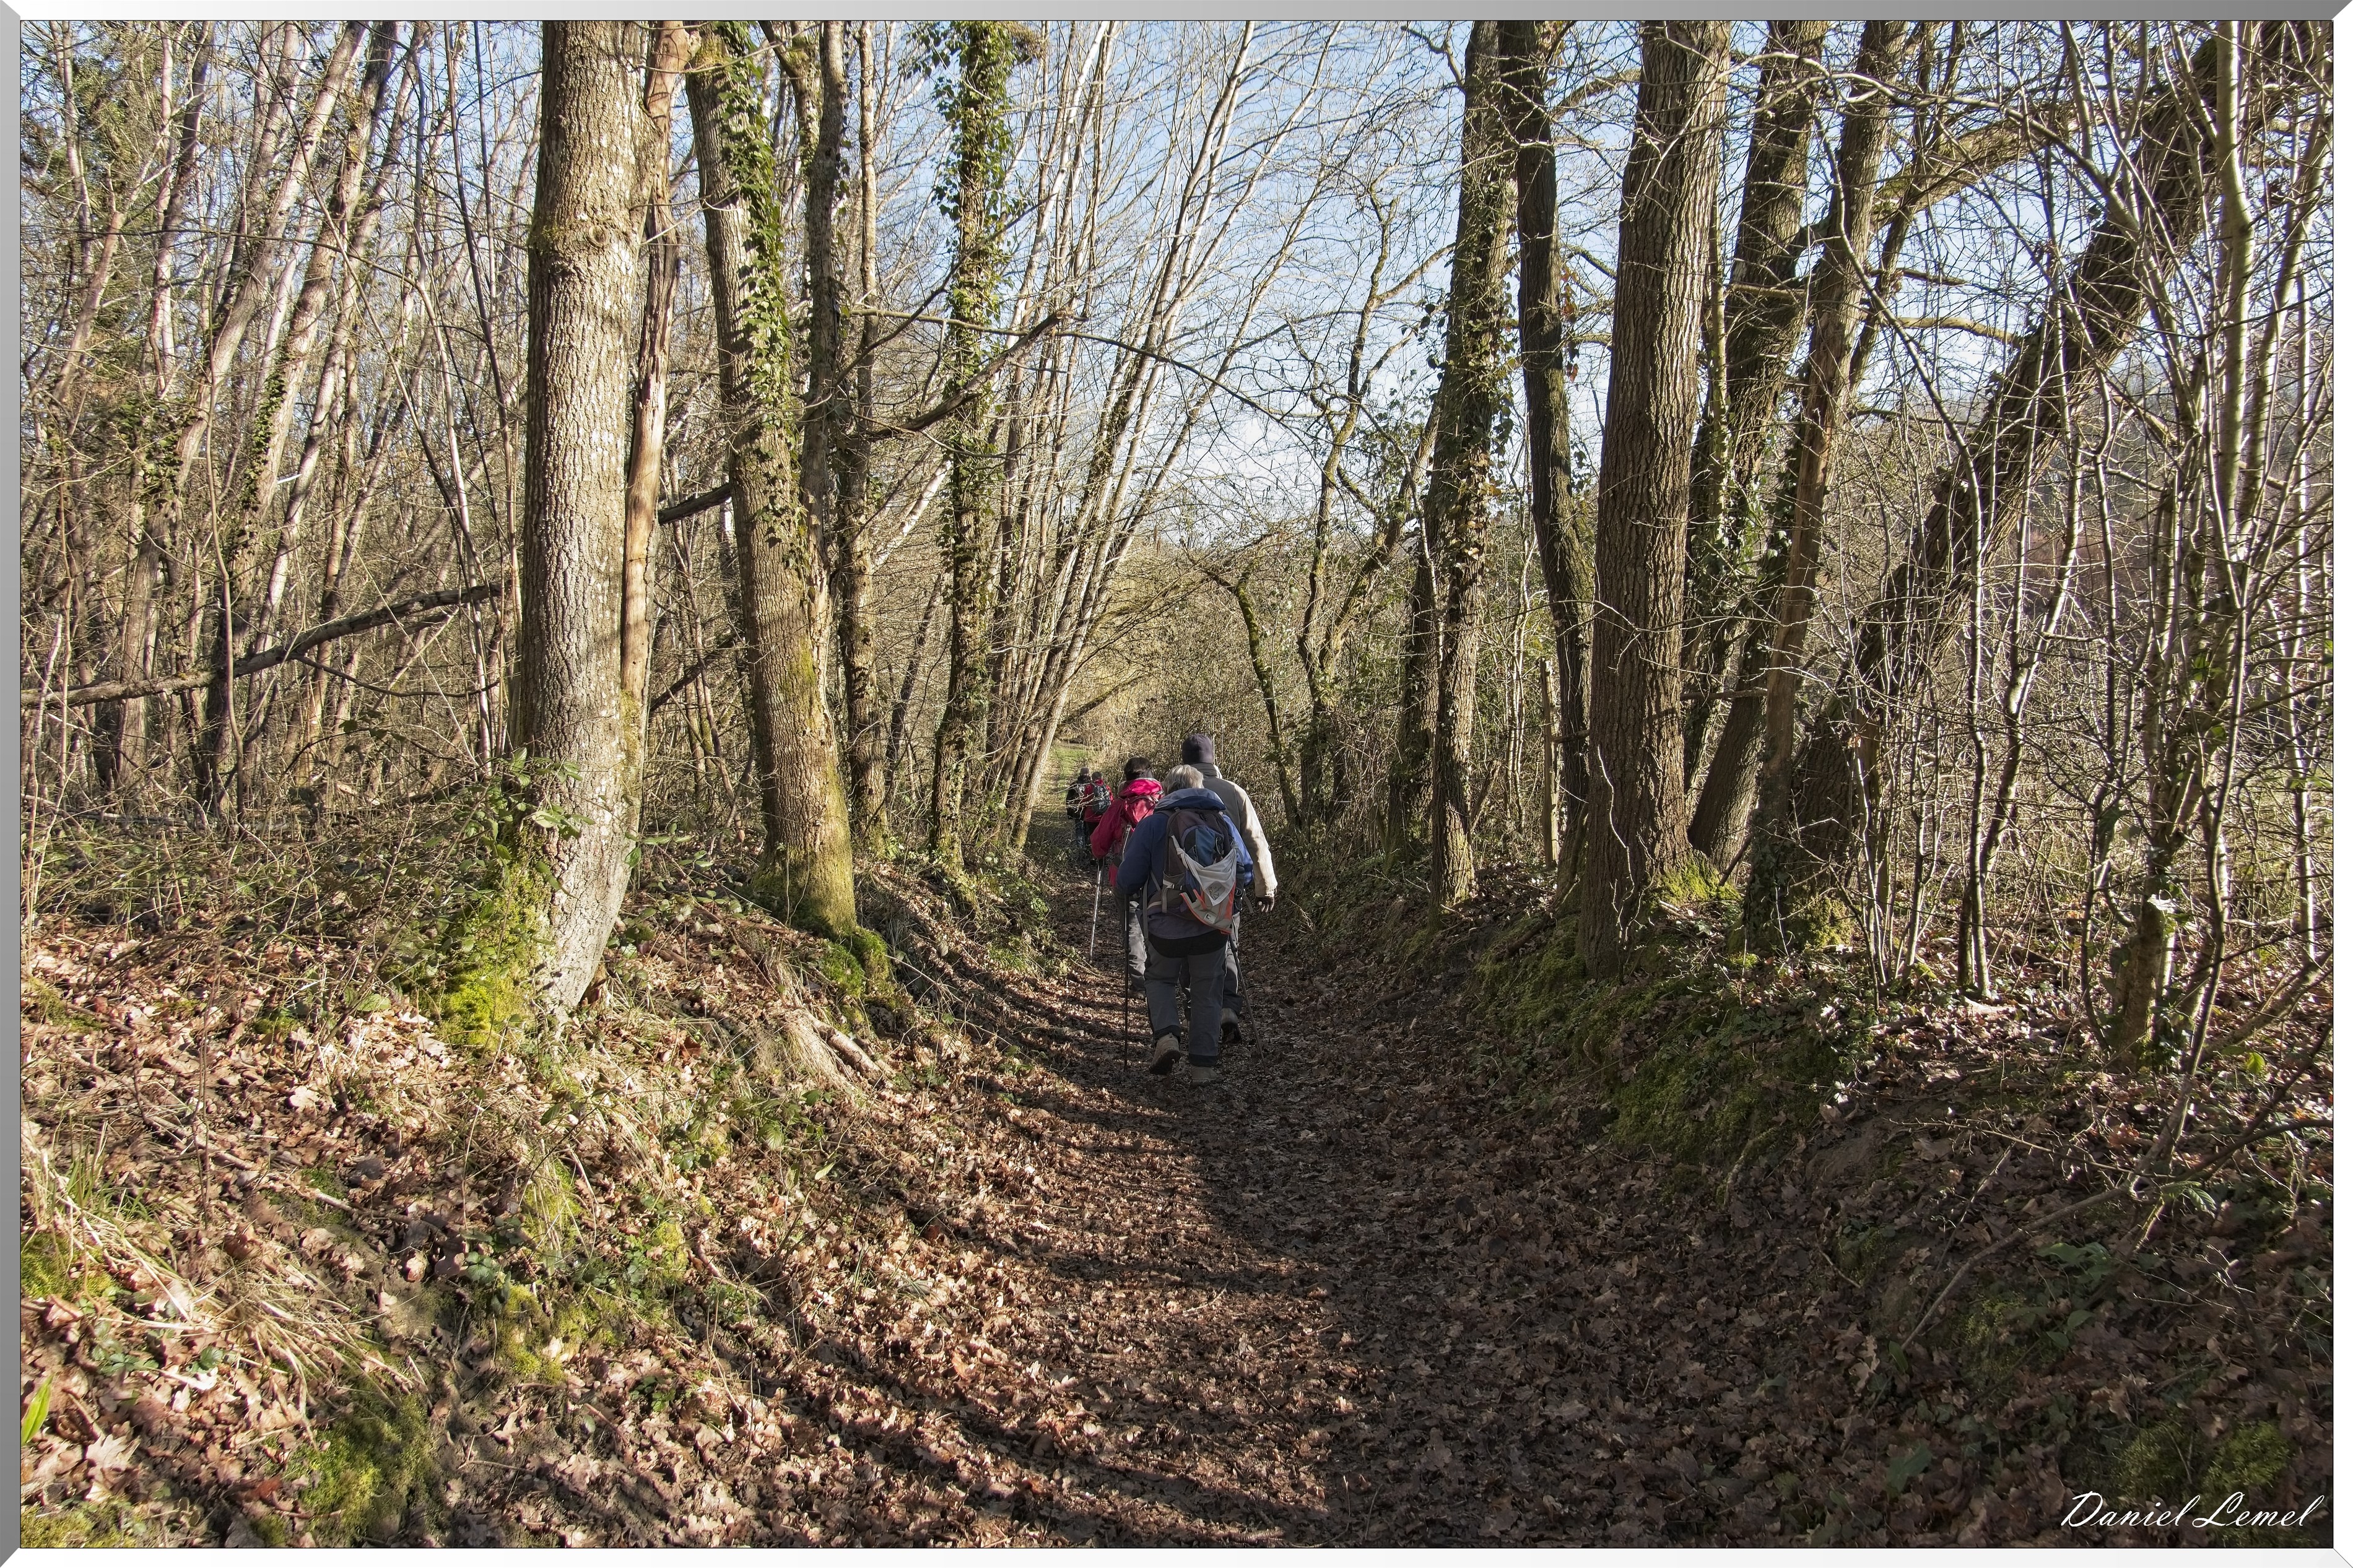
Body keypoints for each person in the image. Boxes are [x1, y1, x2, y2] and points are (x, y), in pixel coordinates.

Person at [1115, 763, 1253, 1084]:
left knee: (1161, 979)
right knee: (1207, 990)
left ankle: (1167, 1037)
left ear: (1168, 790)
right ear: (1200, 787)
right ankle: (1202, 1069)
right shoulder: (1223, 822)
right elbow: (1245, 871)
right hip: (1213, 925)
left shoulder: (1152, 825)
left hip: (1165, 926)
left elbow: (1126, 880)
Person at [1180, 734, 1276, 1044]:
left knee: (1190, 949)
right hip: (1228, 890)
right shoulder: (1234, 792)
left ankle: (1198, 1008)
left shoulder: (1176, 791)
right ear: (1212, 759)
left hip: (1187, 891)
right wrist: (1265, 888)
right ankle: (1228, 1008)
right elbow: (1255, 841)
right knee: (1228, 946)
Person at [1090, 757, 1162, 985]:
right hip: (1159, 878)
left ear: (1127, 778)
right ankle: (1161, 976)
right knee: (1159, 923)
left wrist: (1101, 855)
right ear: (1151, 774)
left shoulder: (1119, 806)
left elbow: (1099, 843)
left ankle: (1139, 980)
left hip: (1123, 874)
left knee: (1132, 928)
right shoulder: (1163, 802)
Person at [1077, 769, 1112, 849]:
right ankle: (1102, 857)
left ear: (1092, 778)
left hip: (1091, 817)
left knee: (1091, 836)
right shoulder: (1107, 787)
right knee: (1101, 837)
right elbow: (1111, 801)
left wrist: (1081, 807)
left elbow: (1085, 801)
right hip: (1103, 817)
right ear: (1101, 778)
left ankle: (1092, 856)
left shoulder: (1089, 787)